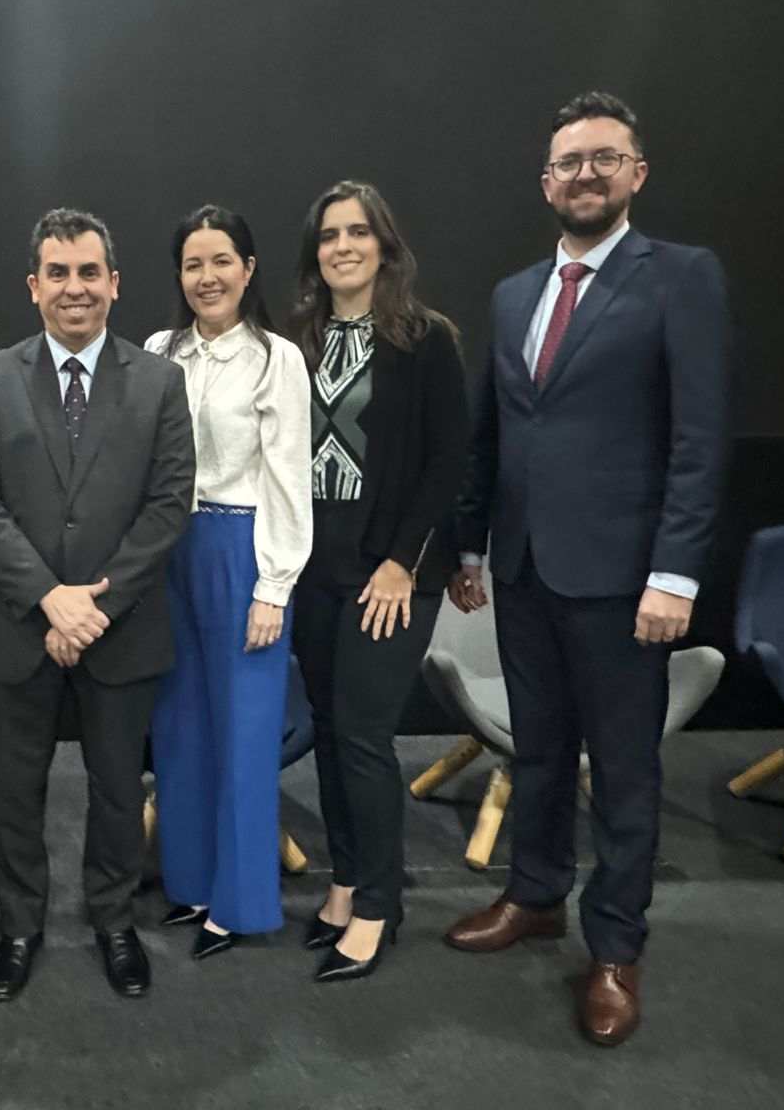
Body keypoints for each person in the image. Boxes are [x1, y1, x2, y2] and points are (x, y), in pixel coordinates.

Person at [444, 92, 733, 1046]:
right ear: (546, 182)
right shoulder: (514, 294)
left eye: (604, 159)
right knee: (536, 753)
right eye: (568, 162)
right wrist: (473, 544)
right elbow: (492, 433)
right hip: (523, 570)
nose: (585, 175)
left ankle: (615, 949)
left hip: (622, 581)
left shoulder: (682, 278)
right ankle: (533, 897)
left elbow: (698, 442)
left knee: (623, 773)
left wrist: (676, 576)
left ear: (636, 172)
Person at [0, 208, 194, 1002]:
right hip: (16, 622)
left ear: (115, 285)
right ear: (33, 287)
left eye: (90, 272)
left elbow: (169, 503)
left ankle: (113, 920)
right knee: (16, 793)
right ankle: (19, 927)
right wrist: (51, 600)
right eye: (58, 273)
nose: (75, 288)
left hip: (120, 626)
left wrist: (96, 605)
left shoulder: (161, 381)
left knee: (119, 790)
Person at [288, 180, 469, 982]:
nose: (342, 247)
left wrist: (402, 562)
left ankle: (379, 907)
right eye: (329, 235)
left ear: (385, 246)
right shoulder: (298, 337)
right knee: (328, 734)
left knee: (363, 736)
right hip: (315, 571)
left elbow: (447, 463)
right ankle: (346, 881)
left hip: (389, 575)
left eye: (358, 232)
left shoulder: (426, 339)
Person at [143, 205, 311, 959]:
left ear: (248, 269)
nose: (206, 277)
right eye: (192, 264)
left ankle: (241, 903)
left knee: (245, 733)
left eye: (221, 261)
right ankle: (192, 882)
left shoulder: (277, 358)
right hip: (167, 550)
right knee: (179, 727)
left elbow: (287, 478)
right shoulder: (156, 352)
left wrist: (274, 586)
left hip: (243, 548)